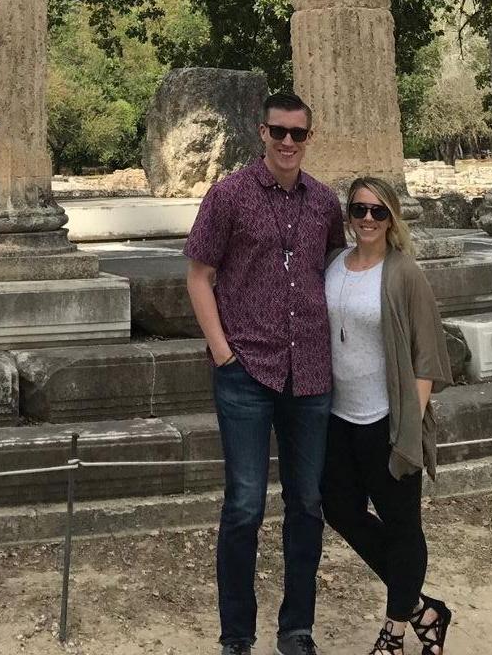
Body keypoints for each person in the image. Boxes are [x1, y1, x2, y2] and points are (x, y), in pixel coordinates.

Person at [184, 90, 347, 655]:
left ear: (309, 138)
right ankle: (237, 635)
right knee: (245, 506)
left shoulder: (324, 202)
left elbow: (335, 265)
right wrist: (223, 353)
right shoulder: (227, 196)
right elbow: (199, 275)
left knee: (306, 504)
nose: (287, 142)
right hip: (247, 369)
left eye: (298, 134)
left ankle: (297, 628)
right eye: (279, 131)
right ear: (262, 132)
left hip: (309, 374)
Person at [320, 175, 456, 653]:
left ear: (392, 217)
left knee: (402, 527)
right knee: (339, 510)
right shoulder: (335, 264)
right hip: (340, 417)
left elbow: (428, 356)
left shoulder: (403, 273)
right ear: (349, 216)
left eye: (379, 212)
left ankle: (394, 630)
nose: (369, 220)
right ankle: (425, 610)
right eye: (360, 210)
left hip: (388, 417)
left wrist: (410, 424)